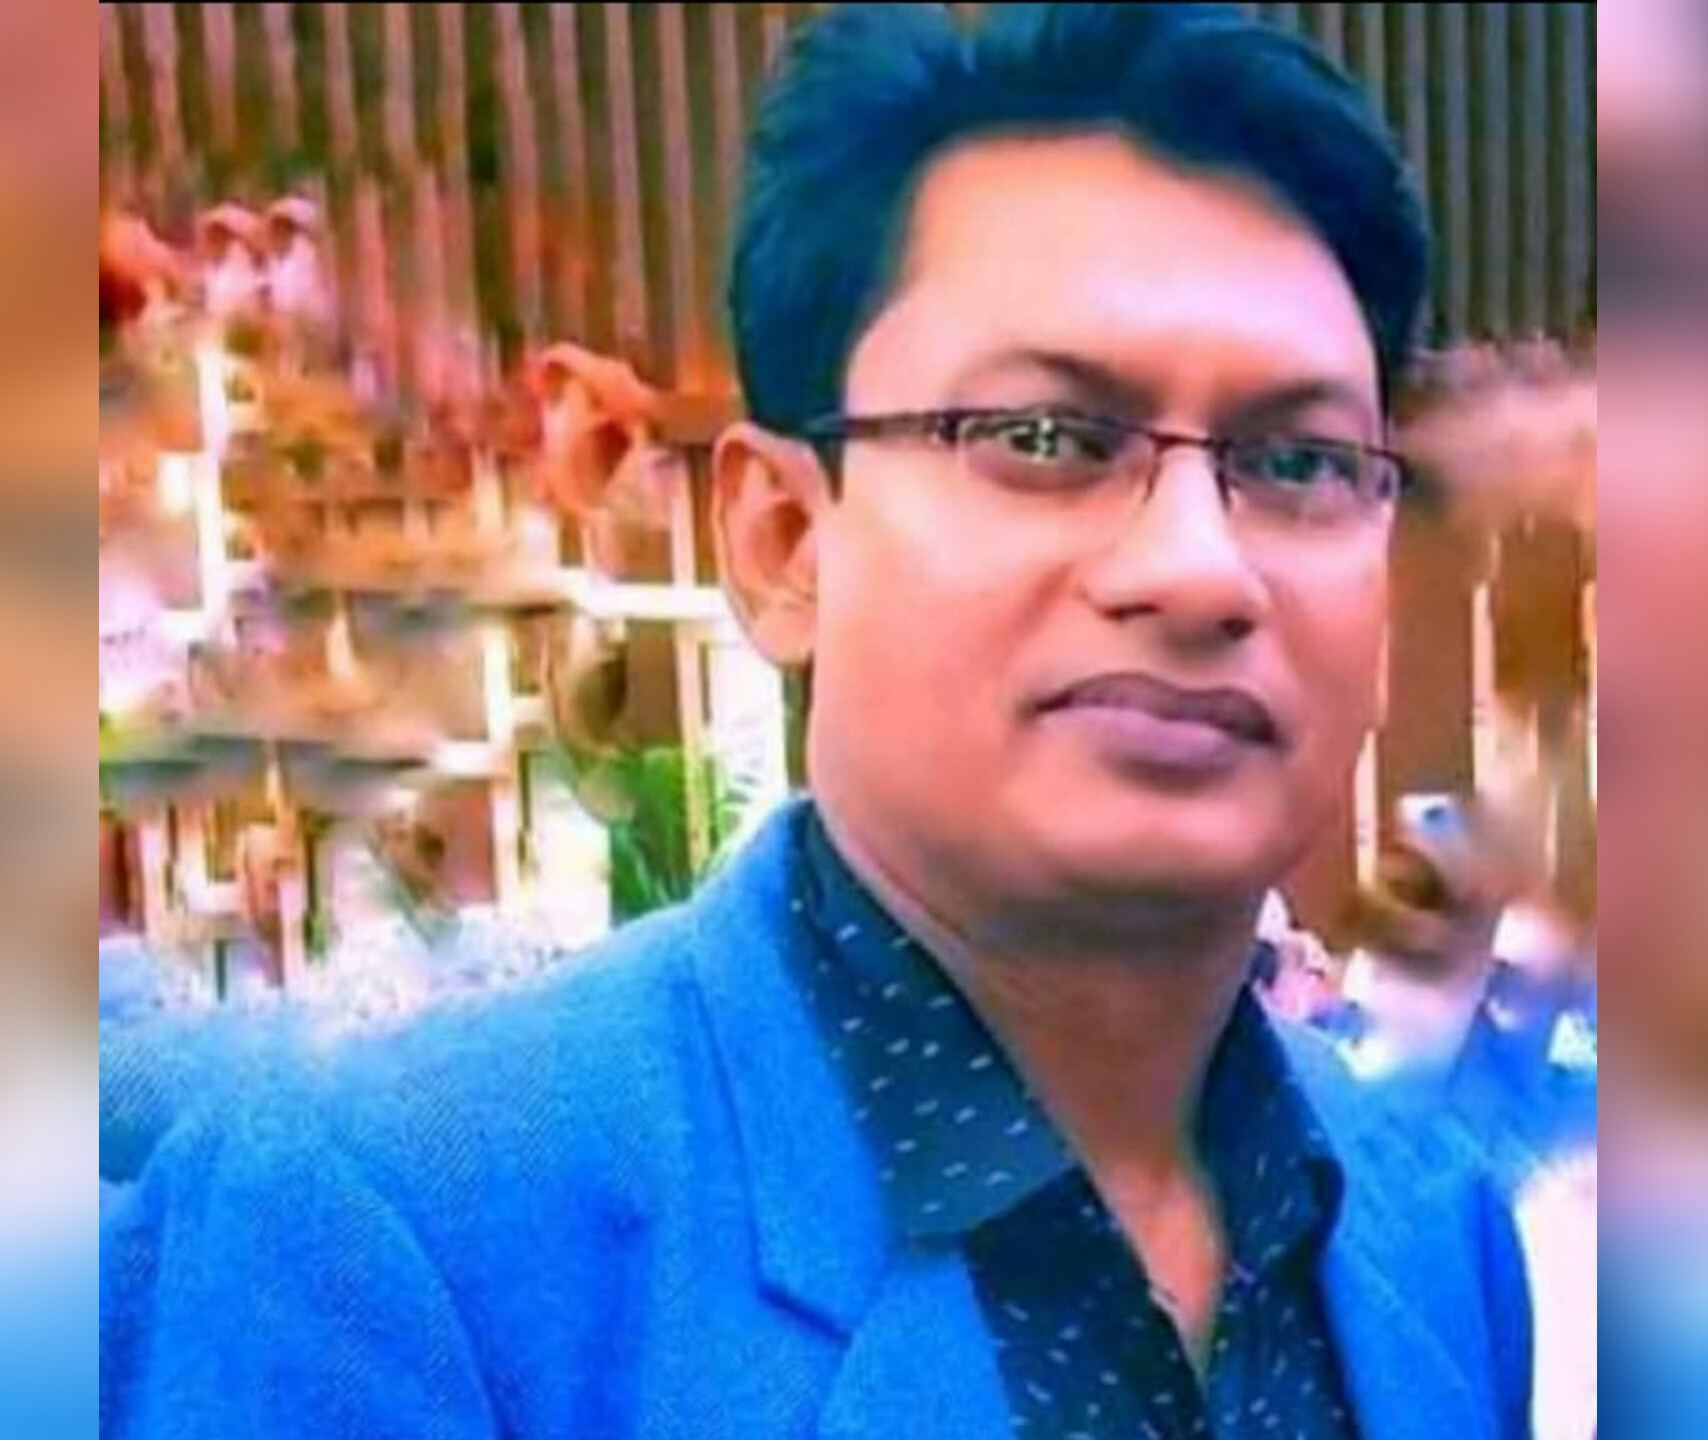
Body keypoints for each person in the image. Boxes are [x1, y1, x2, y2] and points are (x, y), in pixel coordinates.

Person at [104, 7, 1530, 1438]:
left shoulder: (1434, 1232)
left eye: (1298, 462)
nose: (1198, 567)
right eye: (1044, 438)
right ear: (783, 541)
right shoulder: (399, 1238)